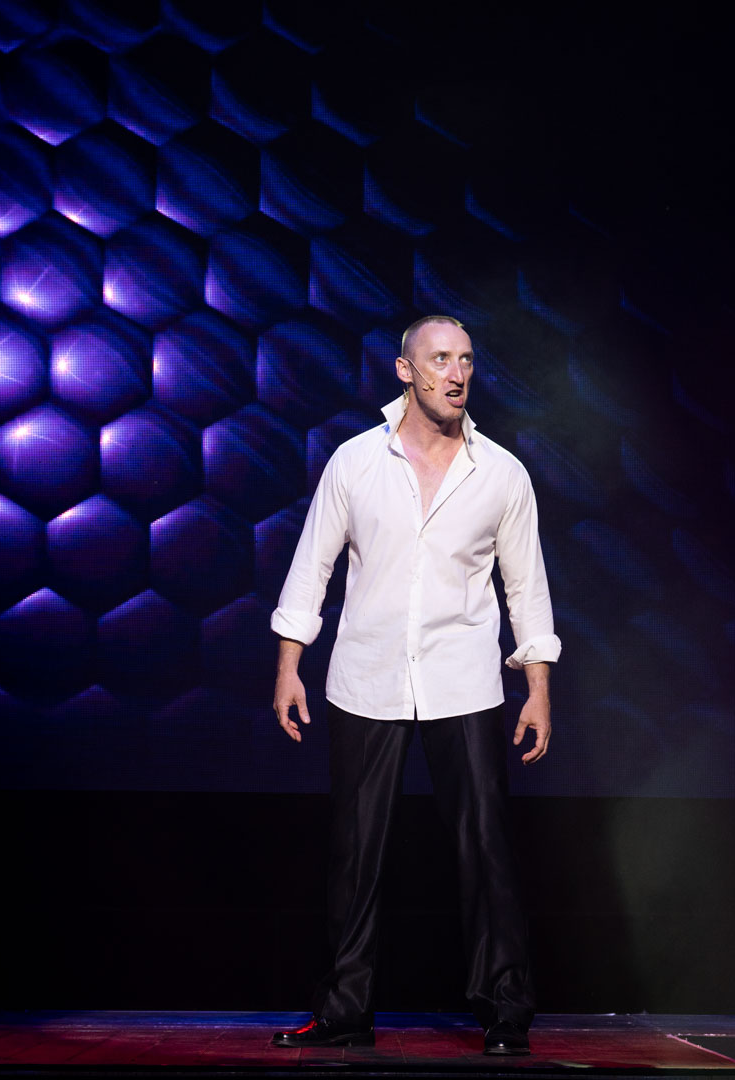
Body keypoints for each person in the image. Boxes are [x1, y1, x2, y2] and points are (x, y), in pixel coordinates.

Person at [267, 315, 561, 1057]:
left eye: (466, 360)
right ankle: (344, 1011)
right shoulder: (355, 461)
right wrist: (288, 665)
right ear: (406, 370)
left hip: (464, 678)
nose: (456, 375)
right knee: (355, 850)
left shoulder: (500, 473)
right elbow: (312, 565)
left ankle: (505, 1010)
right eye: (440, 360)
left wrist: (537, 686)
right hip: (365, 676)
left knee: (485, 847)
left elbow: (526, 588)